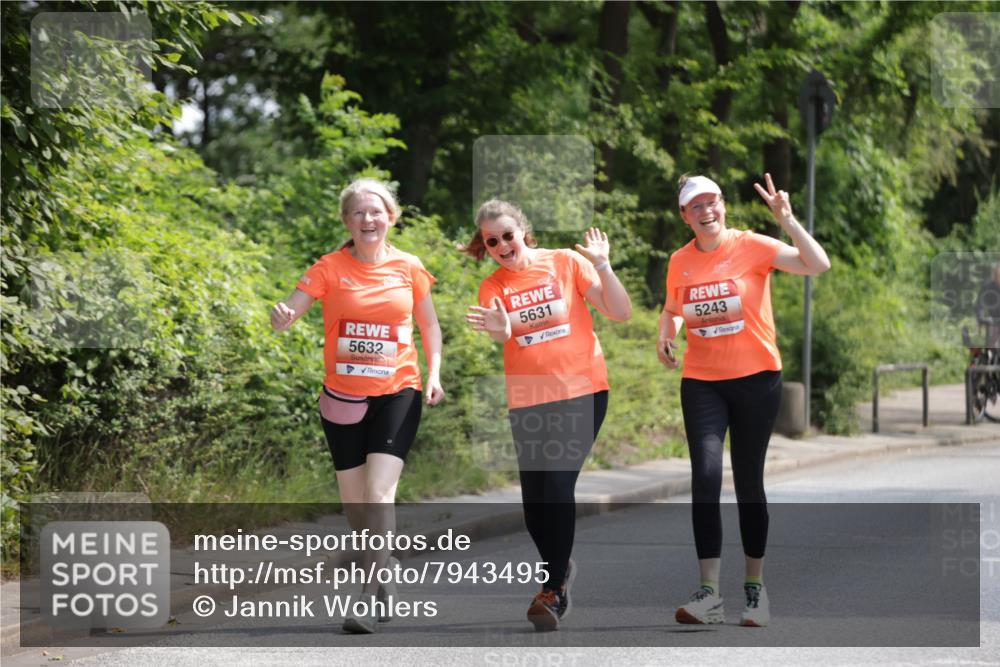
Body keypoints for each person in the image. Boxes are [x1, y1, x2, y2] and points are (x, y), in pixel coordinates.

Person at [271, 178, 445, 634]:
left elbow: (429, 327)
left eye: (376, 211)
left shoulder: (409, 267)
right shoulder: (329, 267)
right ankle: (383, 569)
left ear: (391, 216)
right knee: (354, 507)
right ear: (347, 220)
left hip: (398, 390)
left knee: (378, 494)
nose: (369, 219)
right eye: (359, 213)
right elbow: (292, 309)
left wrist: (435, 374)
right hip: (343, 398)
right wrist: (282, 316)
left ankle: (366, 598)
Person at [658, 173, 830, 627]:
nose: (706, 211)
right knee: (706, 475)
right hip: (702, 382)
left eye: (712, 202)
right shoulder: (680, 261)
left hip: (757, 380)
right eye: (696, 206)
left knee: (749, 483)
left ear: (724, 206)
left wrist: (788, 221)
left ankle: (755, 590)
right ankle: (709, 593)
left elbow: (818, 265)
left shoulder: (751, 244)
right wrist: (665, 334)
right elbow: (674, 309)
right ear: (684, 216)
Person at [464, 199, 632, 632]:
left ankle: (552, 588)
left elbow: (620, 312)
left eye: (507, 235)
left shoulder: (567, 263)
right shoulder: (493, 287)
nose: (502, 245)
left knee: (558, 484)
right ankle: (560, 566)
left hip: (581, 390)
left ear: (524, 230)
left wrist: (605, 266)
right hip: (528, 398)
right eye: (492, 241)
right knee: (534, 503)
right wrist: (500, 330)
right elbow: (501, 332)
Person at [976, 262, 1000, 350]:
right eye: (997, 275)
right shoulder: (987, 286)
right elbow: (980, 305)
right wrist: (980, 318)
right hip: (993, 320)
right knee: (991, 346)